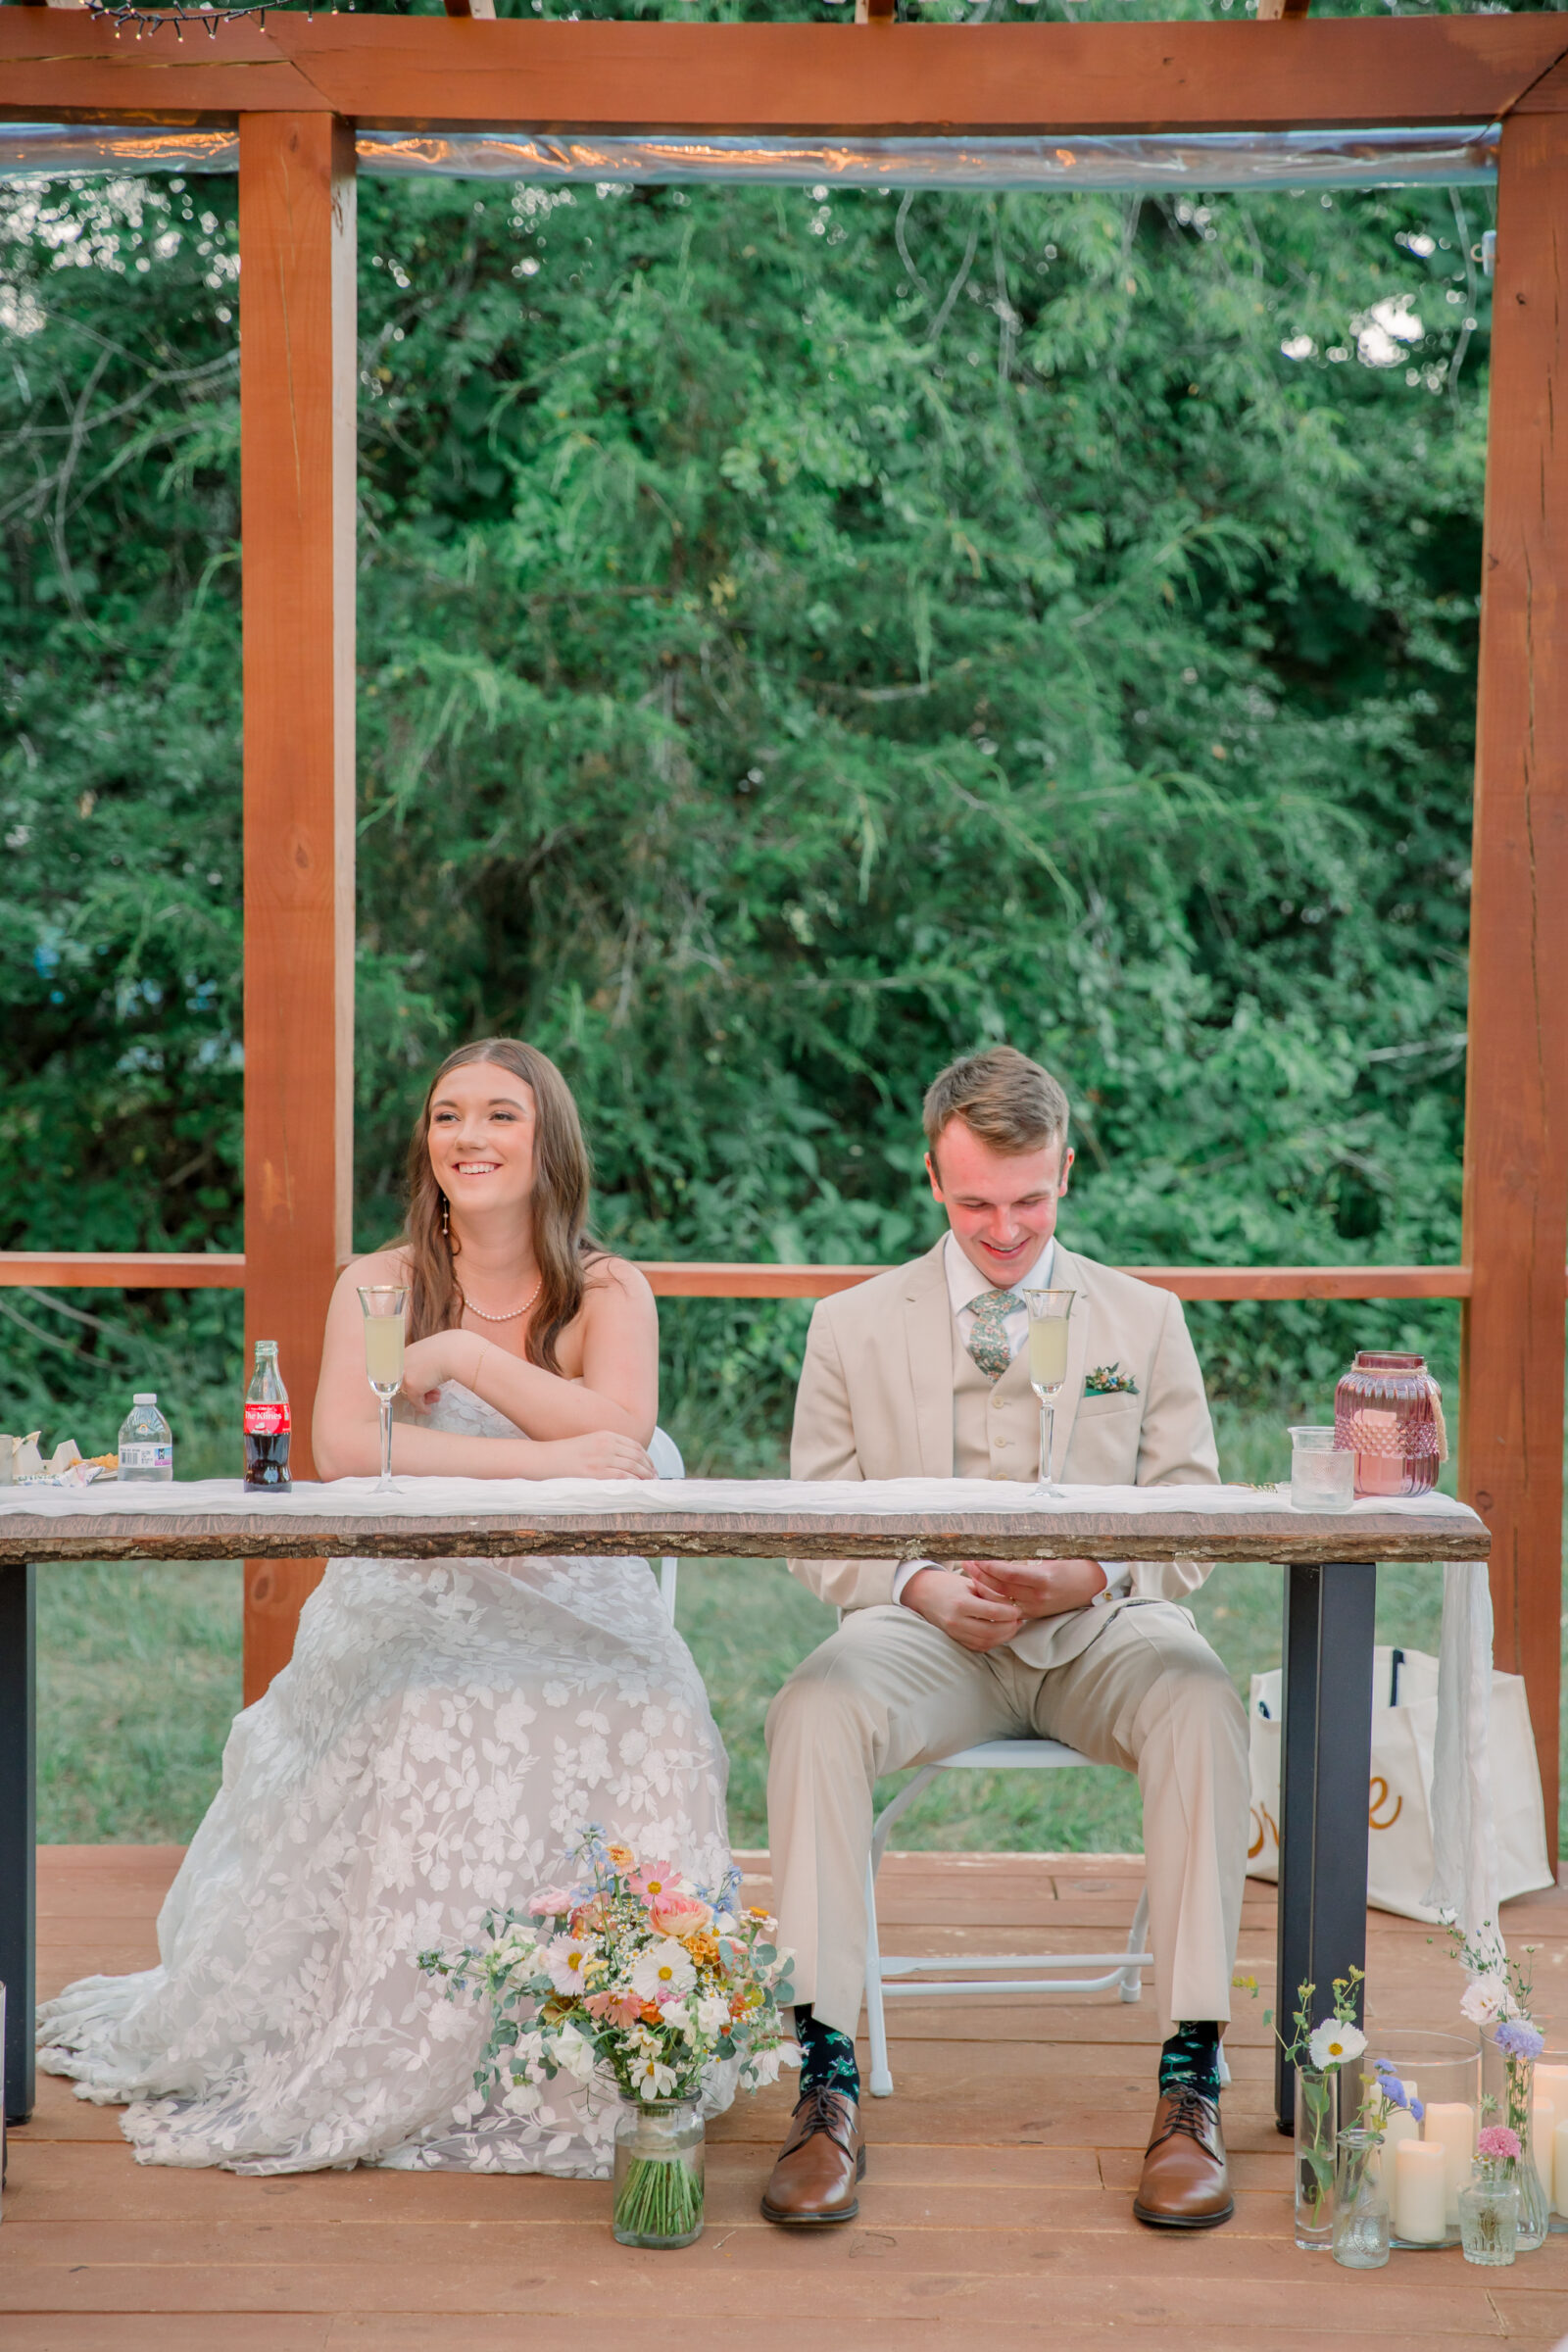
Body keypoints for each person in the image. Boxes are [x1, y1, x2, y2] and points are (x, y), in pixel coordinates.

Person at [37, 1038, 733, 2177]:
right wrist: (540, 1456)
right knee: (422, 1707)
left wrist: (460, 1353)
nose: (468, 1137)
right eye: (447, 1114)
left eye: (500, 1115)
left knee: (651, 1709)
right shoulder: (374, 1281)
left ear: (547, 1140)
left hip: (576, 1583)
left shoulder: (609, 1290)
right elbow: (348, 1448)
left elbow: (624, 1433)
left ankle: (613, 2036)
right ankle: (396, 2039)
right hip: (415, 1576)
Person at [760, 1046, 1249, 2231]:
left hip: (1098, 1634)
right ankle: (822, 2069)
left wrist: (1084, 1573)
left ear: (1066, 1172)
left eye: (1030, 1199)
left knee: (1199, 1697)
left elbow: (1191, 1516)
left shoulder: (1145, 1318)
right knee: (812, 1708)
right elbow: (812, 1524)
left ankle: (1192, 2070)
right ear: (932, 1175)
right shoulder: (849, 1327)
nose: (1004, 1227)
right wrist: (915, 1585)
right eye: (976, 1200)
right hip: (925, 1639)